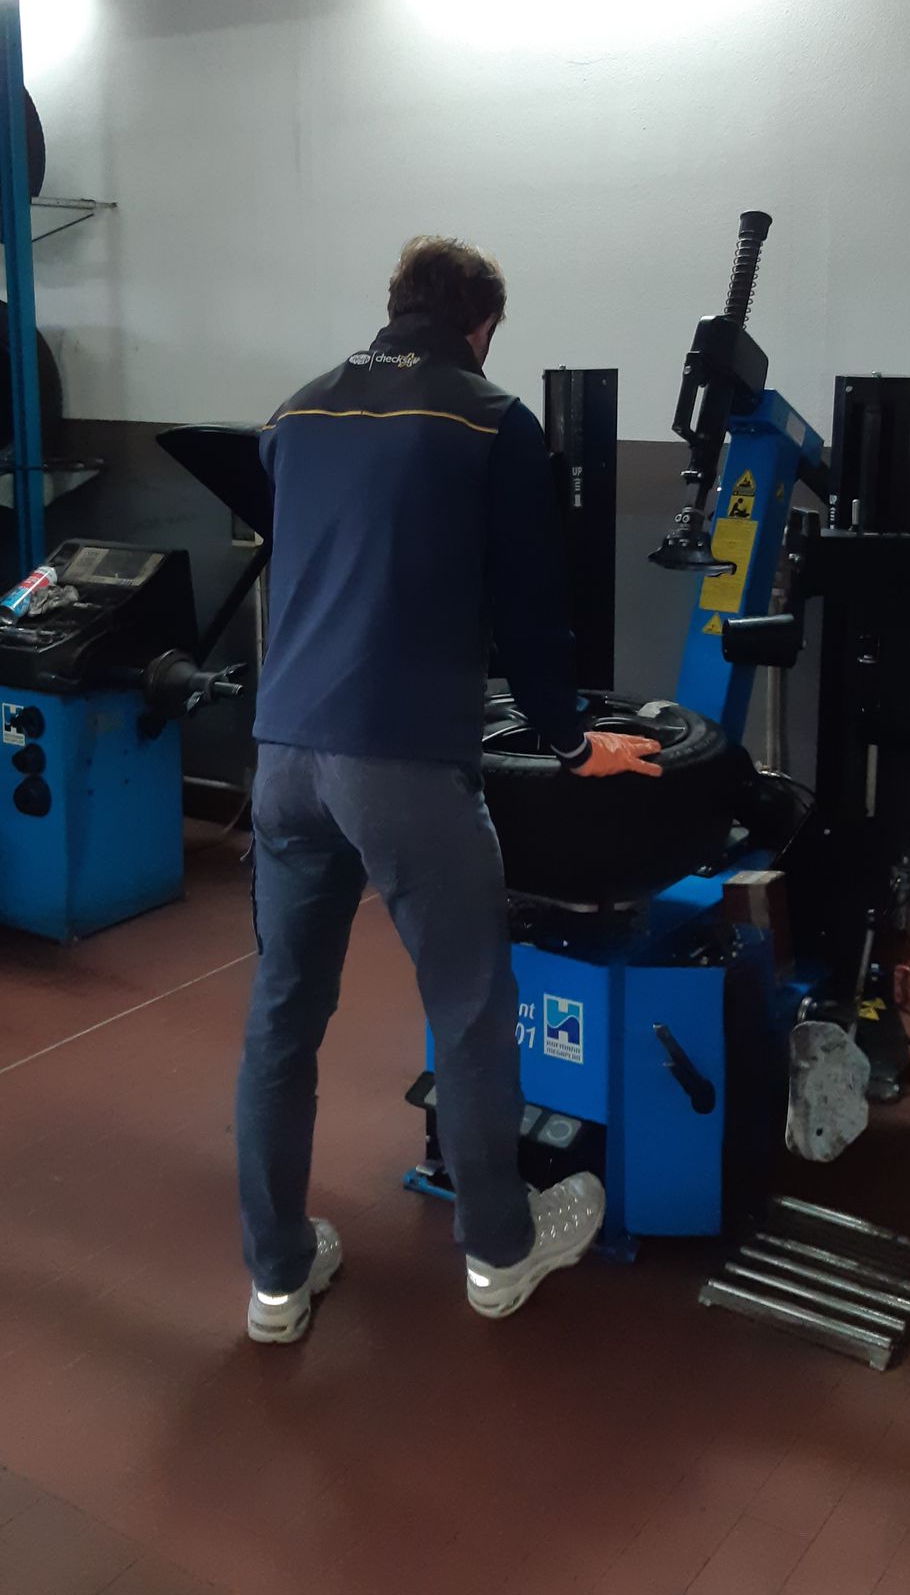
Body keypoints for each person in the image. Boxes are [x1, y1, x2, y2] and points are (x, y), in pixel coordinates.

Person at [236, 237, 661, 1343]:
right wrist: (575, 744)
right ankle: (499, 1253)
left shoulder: (293, 415)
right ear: (482, 327)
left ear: (393, 309)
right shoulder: (490, 420)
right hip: (403, 762)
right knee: (470, 1008)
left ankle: (276, 1281)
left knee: (281, 1017)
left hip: (282, 757)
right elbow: (531, 616)